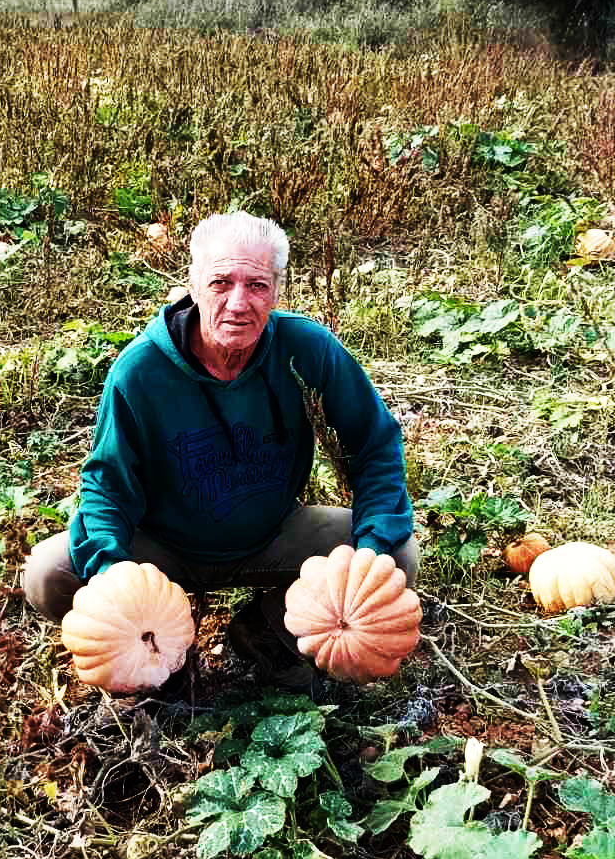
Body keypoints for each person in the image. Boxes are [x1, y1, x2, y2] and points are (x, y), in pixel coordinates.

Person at [24, 210, 418, 689]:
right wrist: (113, 572)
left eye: (257, 285)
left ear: (277, 290)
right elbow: (106, 486)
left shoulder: (307, 350)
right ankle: (158, 657)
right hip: (164, 547)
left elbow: (374, 445)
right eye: (220, 282)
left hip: (272, 533)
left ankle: (265, 634)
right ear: (191, 284)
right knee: (50, 572)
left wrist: (371, 549)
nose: (238, 302)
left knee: (394, 558)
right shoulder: (139, 372)